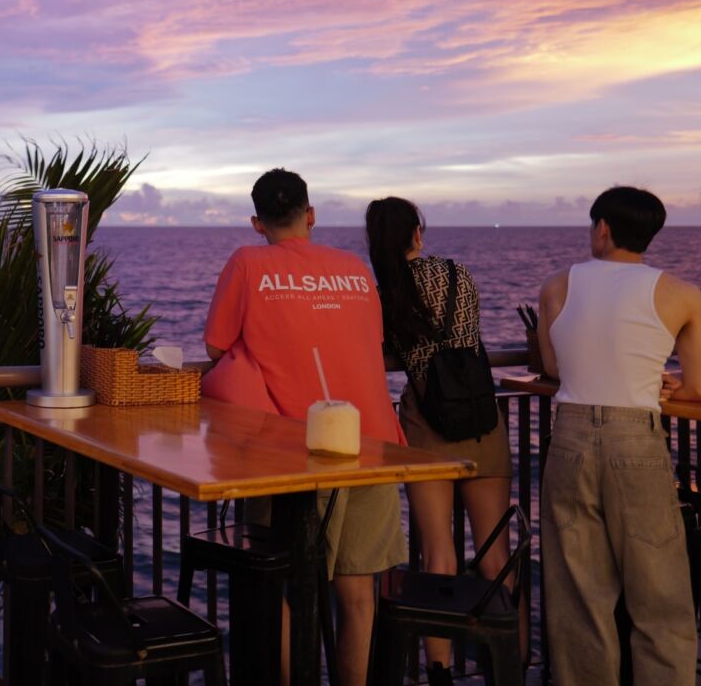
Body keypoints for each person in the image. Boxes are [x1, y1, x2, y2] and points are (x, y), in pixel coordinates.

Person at [202, 168, 405, 686]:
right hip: (370, 442)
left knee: (281, 590)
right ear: (310, 215)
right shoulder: (354, 268)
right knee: (358, 596)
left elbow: (215, 346)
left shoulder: (249, 262)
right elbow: (371, 343)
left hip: (292, 453)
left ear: (256, 222)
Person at [537, 185, 701, 686]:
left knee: (579, 603)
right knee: (660, 602)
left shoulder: (556, 286)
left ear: (602, 228)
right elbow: (700, 387)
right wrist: (668, 386)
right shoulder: (680, 295)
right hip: (635, 439)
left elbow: (554, 366)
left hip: (569, 440)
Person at [366, 197, 513, 686]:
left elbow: (388, 349)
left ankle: (440, 669)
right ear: (417, 234)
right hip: (480, 415)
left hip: (427, 420)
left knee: (437, 553)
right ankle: (504, 658)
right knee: (494, 552)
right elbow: (468, 330)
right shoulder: (457, 273)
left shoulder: (385, 293)